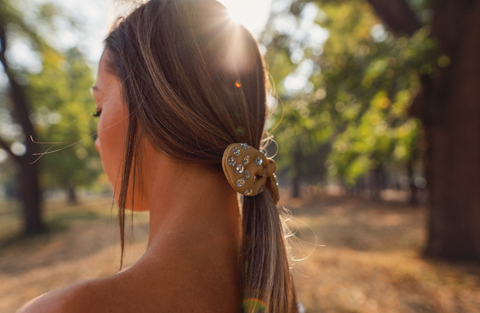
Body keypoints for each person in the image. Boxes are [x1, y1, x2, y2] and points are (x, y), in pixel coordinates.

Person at [18, 0, 298, 312]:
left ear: (152, 104)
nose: (97, 142)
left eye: (99, 109)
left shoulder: (68, 309)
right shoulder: (281, 298)